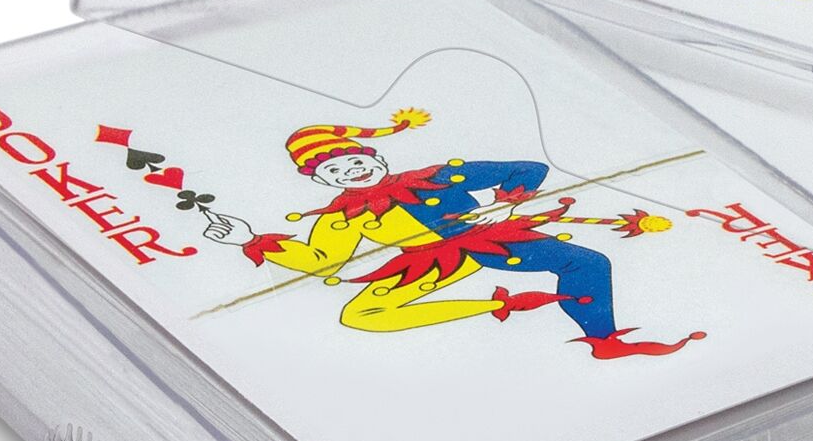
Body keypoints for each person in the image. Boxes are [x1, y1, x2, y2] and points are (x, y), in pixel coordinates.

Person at [201, 108, 702, 359]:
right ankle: (498, 305)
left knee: (588, 262)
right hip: (427, 262)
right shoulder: (340, 218)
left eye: (354, 160)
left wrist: (502, 202)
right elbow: (321, 262)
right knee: (359, 315)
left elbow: (528, 168)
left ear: (376, 157)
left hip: (487, 238)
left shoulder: (438, 175)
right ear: (320, 181)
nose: (350, 171)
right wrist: (249, 239)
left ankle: (604, 340)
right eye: (335, 170)